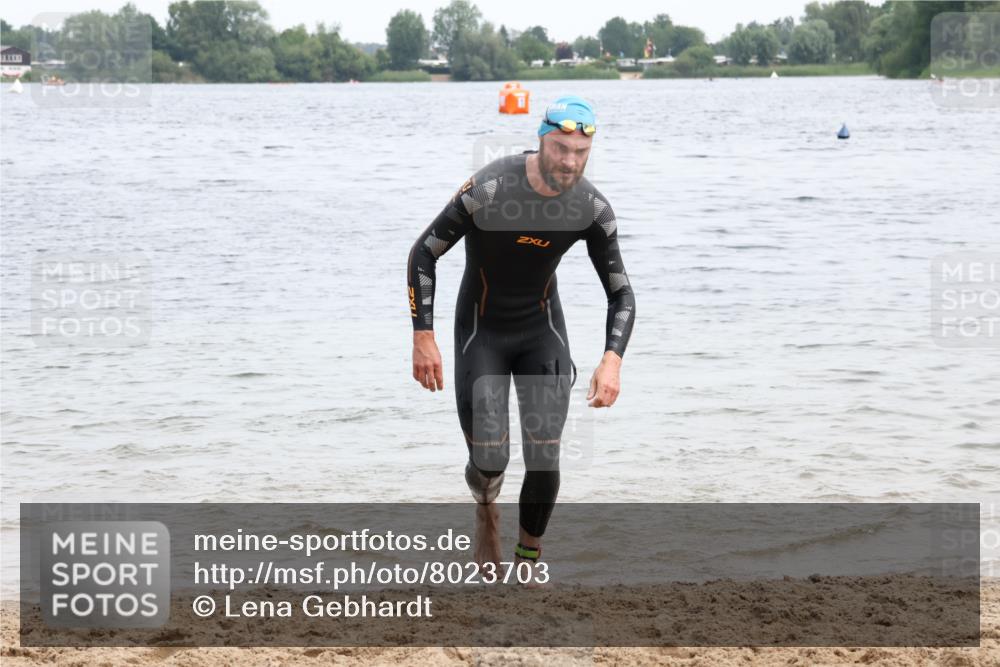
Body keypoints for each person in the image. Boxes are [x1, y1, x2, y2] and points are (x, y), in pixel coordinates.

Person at [406, 95, 635, 572]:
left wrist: (612, 359)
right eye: (560, 149)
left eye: (580, 152)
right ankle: (486, 509)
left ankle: (528, 558)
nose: (569, 162)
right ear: (541, 140)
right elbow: (424, 252)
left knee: (545, 456)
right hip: (481, 332)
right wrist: (423, 336)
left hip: (541, 332)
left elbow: (621, 294)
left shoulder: (592, 209)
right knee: (490, 459)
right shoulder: (491, 188)